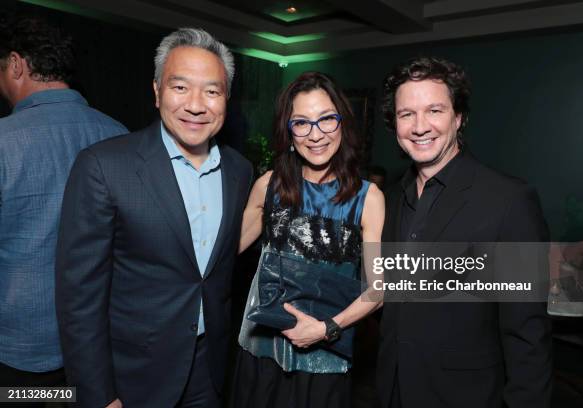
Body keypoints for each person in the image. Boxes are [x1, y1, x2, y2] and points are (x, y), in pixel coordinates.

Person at [55, 28, 252, 408]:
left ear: (226, 99)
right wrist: (98, 396)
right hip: (131, 376)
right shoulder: (103, 166)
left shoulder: (239, 170)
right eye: (180, 87)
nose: (196, 105)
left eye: (212, 91)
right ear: (157, 90)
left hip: (208, 370)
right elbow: (79, 299)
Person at [377, 57, 552, 408]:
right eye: (406, 114)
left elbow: (527, 336)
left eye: (435, 110)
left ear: (458, 118)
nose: (419, 126)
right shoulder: (392, 198)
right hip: (393, 390)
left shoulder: (509, 200)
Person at [232, 71, 384, 408]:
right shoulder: (268, 186)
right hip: (262, 353)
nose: (316, 135)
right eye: (302, 123)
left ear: (342, 124)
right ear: (289, 132)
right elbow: (221, 253)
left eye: (326, 120)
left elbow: (379, 290)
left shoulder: (368, 198)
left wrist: (327, 328)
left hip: (324, 360)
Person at [0, 14, 126, 394]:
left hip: (17, 345)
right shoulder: (119, 135)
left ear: (17, 64)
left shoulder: (3, 141)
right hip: (96, 342)